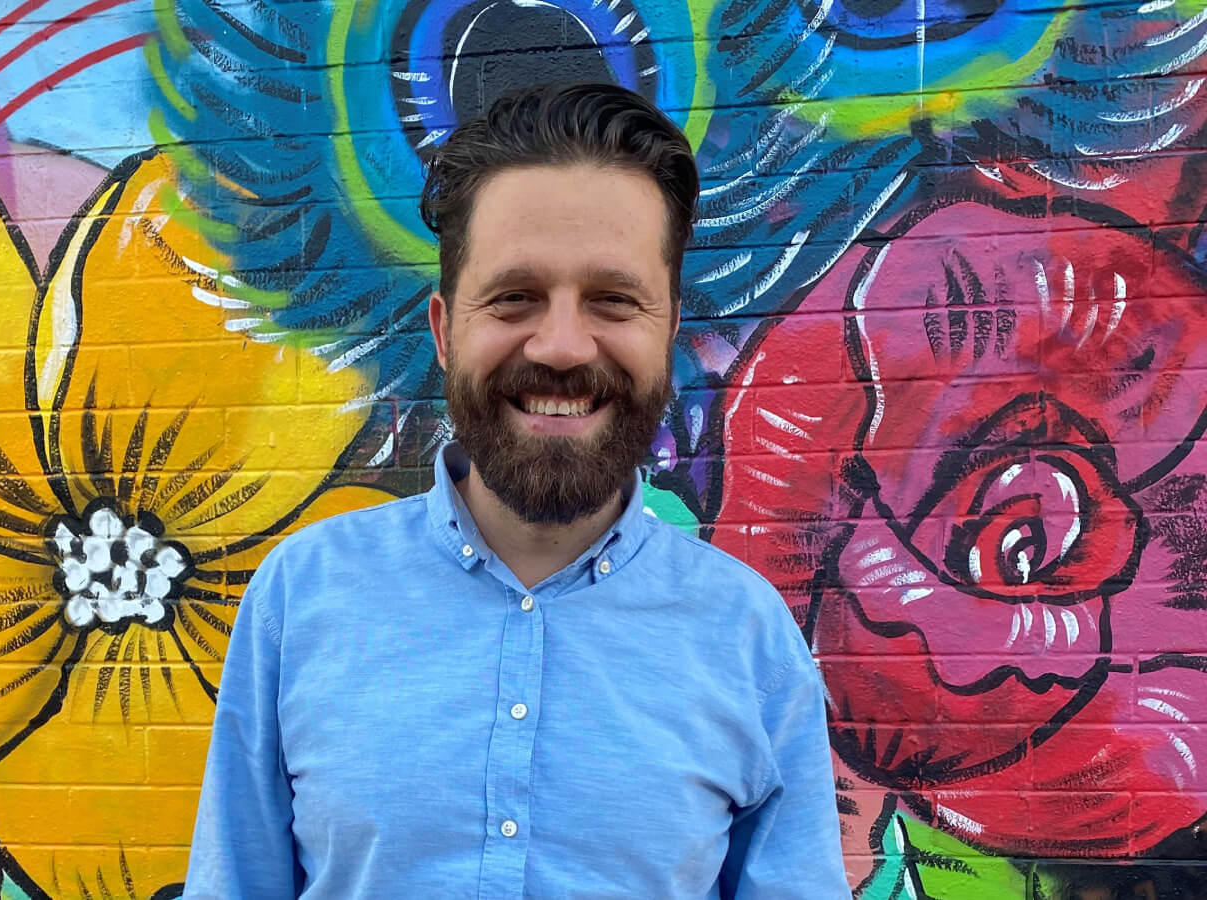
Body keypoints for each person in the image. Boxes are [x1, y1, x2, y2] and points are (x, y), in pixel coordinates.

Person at [184, 82, 849, 899]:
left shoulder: (749, 641)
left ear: (670, 329)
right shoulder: (302, 597)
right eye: (514, 298)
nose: (563, 345)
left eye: (612, 299)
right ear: (442, 329)